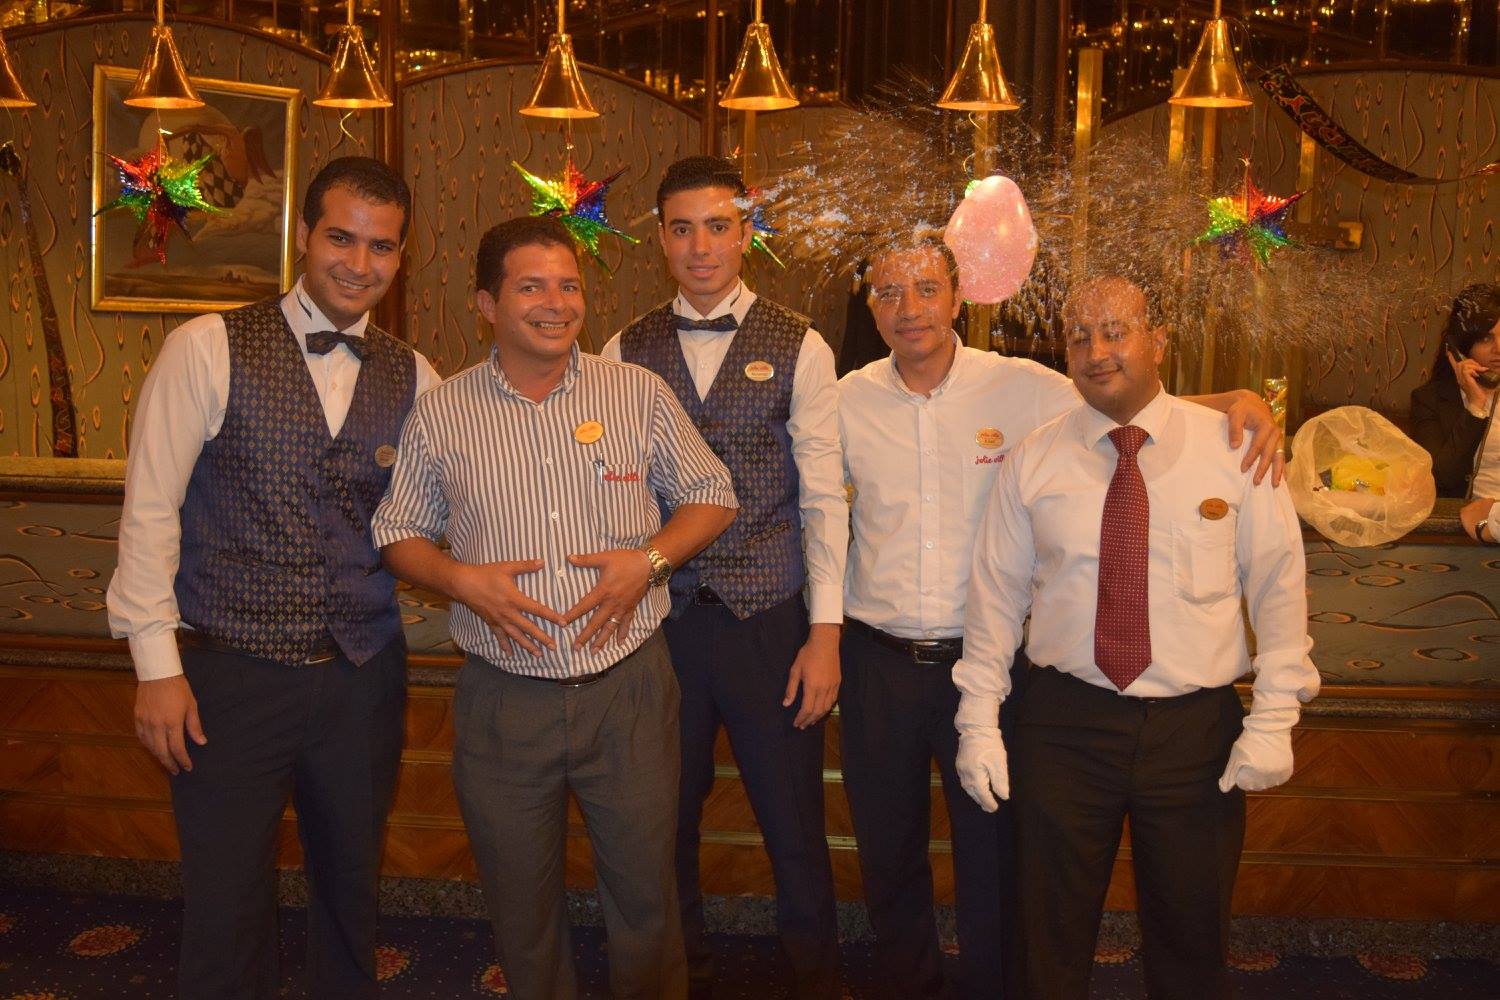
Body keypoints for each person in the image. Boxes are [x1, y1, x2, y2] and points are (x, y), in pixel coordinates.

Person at [837, 242, 1286, 1000]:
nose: (908, 308)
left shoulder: (1022, 387)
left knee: (1007, 869)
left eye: (926, 288)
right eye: (888, 292)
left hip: (1012, 669)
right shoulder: (846, 398)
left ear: (958, 298)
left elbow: (1125, 394)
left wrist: (1240, 400)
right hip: (886, 660)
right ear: (871, 305)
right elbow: (822, 516)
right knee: (894, 856)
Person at [373, 215, 739, 1000]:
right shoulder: (442, 411)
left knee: (647, 902)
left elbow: (713, 493)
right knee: (521, 908)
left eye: (569, 285)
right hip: (504, 699)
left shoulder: (635, 393)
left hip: (629, 689)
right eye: (531, 286)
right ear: (486, 303)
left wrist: (649, 561)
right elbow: (397, 532)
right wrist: (460, 580)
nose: (556, 302)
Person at [106, 156, 442, 999]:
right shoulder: (205, 346)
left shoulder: (417, 375)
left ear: (401, 257)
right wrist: (156, 667)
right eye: (341, 238)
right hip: (228, 674)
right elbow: (149, 512)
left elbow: (447, 515)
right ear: (303, 233)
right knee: (225, 903)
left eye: (381, 247)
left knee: (351, 895)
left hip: (363, 674)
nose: (359, 263)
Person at [952, 275, 1320, 1000]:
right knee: (1044, 936)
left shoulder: (1235, 450)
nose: (1097, 351)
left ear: (1158, 340)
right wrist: (978, 723)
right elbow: (994, 600)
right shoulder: (1033, 458)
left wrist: (1275, 718)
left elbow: (1280, 589)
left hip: (1194, 732)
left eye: (1116, 331)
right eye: (1080, 336)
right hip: (1062, 725)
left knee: (1191, 937)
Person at [601, 155, 845, 1000]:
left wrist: (825, 632)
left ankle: (815, 982)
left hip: (768, 619)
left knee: (792, 819)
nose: (700, 247)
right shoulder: (623, 349)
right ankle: (679, 978)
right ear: (660, 239)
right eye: (682, 229)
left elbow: (823, 498)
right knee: (659, 817)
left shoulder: (801, 343)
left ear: (746, 232)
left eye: (717, 227)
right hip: (659, 623)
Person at [1408, 283, 1500, 542]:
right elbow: (1441, 481)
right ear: (1459, 348)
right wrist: (1475, 407)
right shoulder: (1429, 400)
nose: (1499, 348)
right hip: (1466, 531)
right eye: (1486, 338)